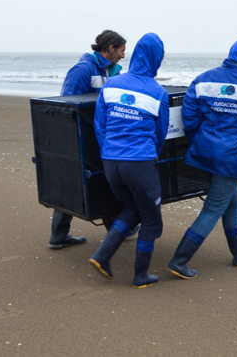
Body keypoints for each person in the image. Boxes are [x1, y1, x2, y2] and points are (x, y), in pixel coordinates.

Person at [168, 36, 237, 280]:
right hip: (230, 158)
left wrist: (199, 137)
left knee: (232, 200)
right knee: (213, 208)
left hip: (203, 152)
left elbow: (189, 115)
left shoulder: (203, 79)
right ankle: (179, 261)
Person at [88, 32, 169, 288]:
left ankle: (102, 256)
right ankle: (140, 275)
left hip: (111, 161)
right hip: (139, 162)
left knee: (133, 208)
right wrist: (148, 156)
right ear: (157, 59)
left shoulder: (112, 85)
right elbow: (161, 133)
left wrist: (108, 151)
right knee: (151, 218)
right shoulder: (157, 92)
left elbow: (99, 124)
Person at [48, 30, 127, 250]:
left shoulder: (109, 71)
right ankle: (59, 236)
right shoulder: (83, 70)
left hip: (99, 136)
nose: (122, 55)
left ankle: (115, 229)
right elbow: (67, 104)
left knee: (102, 180)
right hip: (82, 137)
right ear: (110, 48)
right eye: (121, 50)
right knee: (74, 183)